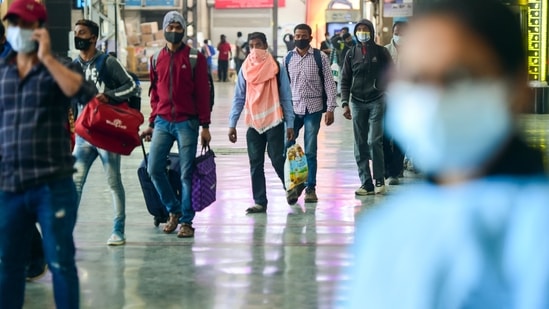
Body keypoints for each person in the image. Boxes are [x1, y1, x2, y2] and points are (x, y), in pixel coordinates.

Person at [343, 1, 549, 307]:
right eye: (416, 80)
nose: (434, 99)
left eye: (458, 78)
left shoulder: (537, 227)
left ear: (518, 88)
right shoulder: (387, 232)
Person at [0, 0, 96, 307]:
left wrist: (46, 59)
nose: (18, 31)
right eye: (13, 24)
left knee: (61, 264)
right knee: (11, 267)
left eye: (25, 24)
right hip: (11, 187)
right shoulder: (3, 72)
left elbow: (85, 94)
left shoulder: (61, 67)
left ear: (39, 29)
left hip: (52, 186)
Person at [141, 11, 211, 238]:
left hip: (187, 123)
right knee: (153, 169)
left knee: (186, 173)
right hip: (162, 122)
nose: (173, 31)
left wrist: (205, 125)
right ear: (164, 29)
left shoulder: (194, 58)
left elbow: (202, 93)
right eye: (169, 27)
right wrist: (152, 122)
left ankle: (187, 222)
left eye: (177, 27)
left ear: (183, 30)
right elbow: (155, 93)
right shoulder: (155, 58)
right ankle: (173, 210)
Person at [72, 19, 138, 246]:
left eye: (82, 32)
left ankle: (118, 230)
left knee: (113, 181)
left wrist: (109, 95)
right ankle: (65, 232)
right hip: (82, 136)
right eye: (75, 32)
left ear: (93, 38)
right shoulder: (74, 65)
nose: (77, 36)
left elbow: (132, 86)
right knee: (75, 183)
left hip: (105, 134)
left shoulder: (107, 62)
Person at [228, 32, 295, 214]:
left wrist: (290, 123)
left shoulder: (276, 67)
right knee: (255, 163)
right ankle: (260, 202)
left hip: (274, 120)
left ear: (266, 46)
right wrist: (232, 124)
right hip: (253, 122)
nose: (255, 49)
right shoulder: (245, 68)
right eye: (251, 46)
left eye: (258, 45)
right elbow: (239, 97)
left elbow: (286, 97)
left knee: (276, 158)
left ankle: (290, 187)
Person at [285, 23, 338, 203]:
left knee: (310, 149)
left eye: (303, 36)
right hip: (293, 109)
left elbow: (330, 83)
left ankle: (310, 188)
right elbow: (284, 87)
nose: (300, 39)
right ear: (294, 38)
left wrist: (330, 108)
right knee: (287, 145)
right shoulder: (288, 58)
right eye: (297, 36)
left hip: (313, 109)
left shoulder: (319, 56)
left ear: (310, 37)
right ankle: (295, 183)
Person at [340, 19, 392, 195]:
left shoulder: (381, 52)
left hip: (377, 100)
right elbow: (345, 79)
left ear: (371, 32)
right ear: (355, 33)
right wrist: (345, 103)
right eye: (359, 29)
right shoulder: (350, 53)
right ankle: (366, 183)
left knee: (373, 141)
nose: (362, 32)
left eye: (365, 29)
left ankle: (379, 179)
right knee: (360, 143)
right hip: (356, 102)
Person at [382, 21, 407, 185]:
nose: (399, 36)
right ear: (392, 32)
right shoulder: (384, 50)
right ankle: (387, 169)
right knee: (384, 135)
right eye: (397, 32)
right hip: (386, 97)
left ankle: (396, 170)